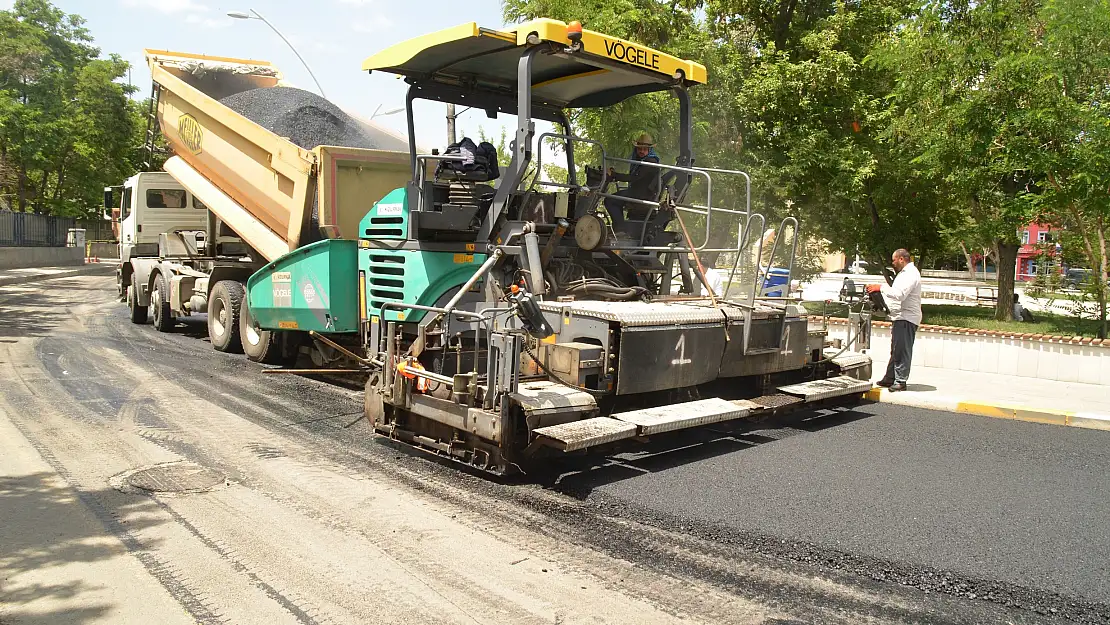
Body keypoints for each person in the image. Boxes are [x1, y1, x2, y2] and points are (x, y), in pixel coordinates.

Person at [866, 249, 922, 391]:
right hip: (900, 316)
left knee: (902, 350)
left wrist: (881, 287)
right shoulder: (904, 274)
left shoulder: (910, 274)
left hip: (907, 317)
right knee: (896, 349)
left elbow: (899, 294)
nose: (893, 263)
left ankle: (900, 380)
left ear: (902, 259)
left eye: (894, 260)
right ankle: (890, 378)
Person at [605, 132, 662, 236]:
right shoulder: (641, 161)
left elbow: (633, 178)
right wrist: (615, 175)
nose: (641, 151)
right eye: (639, 148)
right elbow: (634, 177)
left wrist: (614, 175)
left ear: (649, 150)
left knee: (609, 200)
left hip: (642, 195)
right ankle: (619, 228)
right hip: (639, 192)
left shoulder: (650, 161)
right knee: (615, 197)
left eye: (644, 149)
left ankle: (620, 228)